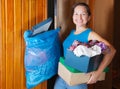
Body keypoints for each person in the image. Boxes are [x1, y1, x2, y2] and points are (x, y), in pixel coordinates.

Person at [54, 2, 116, 89]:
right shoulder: (72, 32)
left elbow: (112, 50)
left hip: (77, 80)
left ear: (89, 17)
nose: (79, 17)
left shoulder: (90, 34)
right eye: (76, 13)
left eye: (83, 14)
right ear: (72, 16)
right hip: (63, 75)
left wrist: (97, 73)